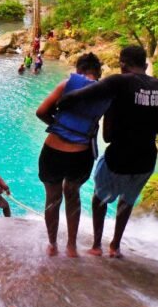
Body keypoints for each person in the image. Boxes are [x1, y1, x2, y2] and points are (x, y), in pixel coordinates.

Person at [58, 46, 158, 258]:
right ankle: (115, 246)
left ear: (122, 64)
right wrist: (147, 123)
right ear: (146, 64)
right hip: (146, 160)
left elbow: (82, 101)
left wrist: (62, 104)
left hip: (118, 157)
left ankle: (96, 246)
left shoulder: (119, 82)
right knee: (127, 201)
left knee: (100, 199)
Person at [36, 53, 110, 257]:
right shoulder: (106, 93)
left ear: (78, 70)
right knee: (73, 195)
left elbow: (41, 111)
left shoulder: (67, 84)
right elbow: (107, 132)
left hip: (52, 151)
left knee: (52, 198)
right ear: (98, 72)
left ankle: (52, 245)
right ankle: (71, 246)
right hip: (80, 154)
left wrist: (58, 126)